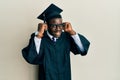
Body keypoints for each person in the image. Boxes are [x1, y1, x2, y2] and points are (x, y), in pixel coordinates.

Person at [22, 3, 90, 80]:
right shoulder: (40, 38)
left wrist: (72, 32)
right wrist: (38, 34)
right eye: (53, 25)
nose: (58, 28)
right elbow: (31, 57)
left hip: (65, 77)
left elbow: (82, 50)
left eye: (60, 25)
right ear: (46, 25)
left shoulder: (66, 37)